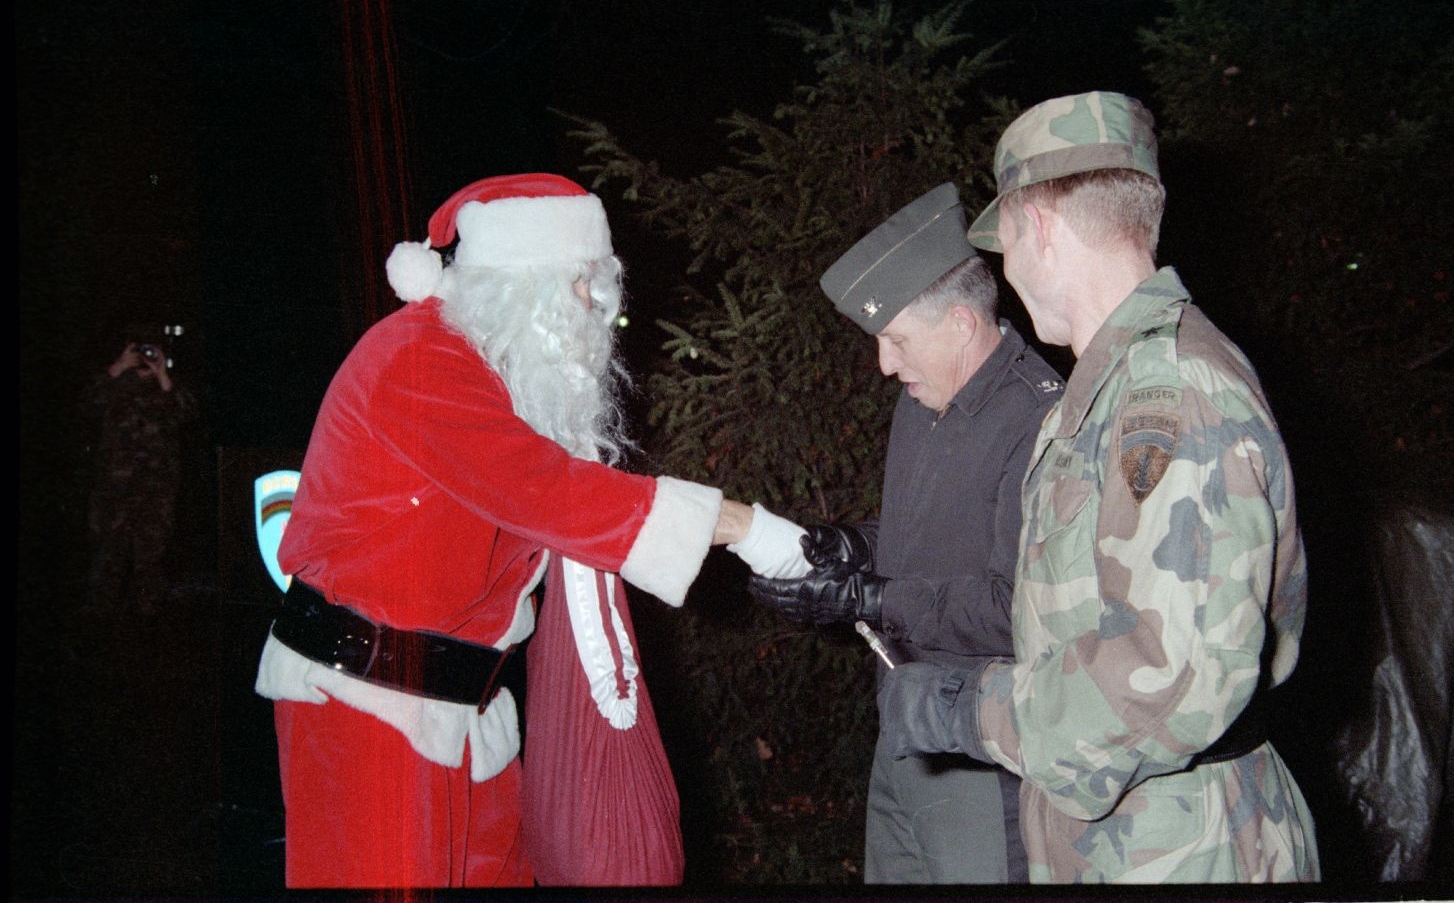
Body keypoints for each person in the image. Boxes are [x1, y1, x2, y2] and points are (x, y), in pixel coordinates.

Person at [254, 173, 807, 888]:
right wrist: (745, 528)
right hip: (363, 714)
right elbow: (545, 491)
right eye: (577, 286)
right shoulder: (419, 358)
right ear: (519, 285)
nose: (594, 310)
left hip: (462, 715)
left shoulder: (496, 374)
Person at [876, 91, 1321, 882]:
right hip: (1123, 835)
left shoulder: (1171, 391)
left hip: (1183, 847)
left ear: (1038, 228)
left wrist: (972, 710)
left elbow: (1173, 672)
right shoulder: (1108, 389)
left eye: (1005, 243)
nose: (1007, 273)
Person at [745, 182, 1064, 883]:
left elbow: (1018, 609)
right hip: (903, 717)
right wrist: (853, 544)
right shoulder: (923, 399)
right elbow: (929, 534)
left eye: (896, 340)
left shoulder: (1039, 425)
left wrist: (869, 599)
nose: (886, 365)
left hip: (984, 746)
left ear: (959, 324)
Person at [84, 332, 196, 617]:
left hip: (156, 487)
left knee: (151, 554)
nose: (144, 357)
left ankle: (148, 618)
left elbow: (188, 413)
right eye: (140, 351)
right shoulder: (115, 384)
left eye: (151, 351)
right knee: (109, 552)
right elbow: (86, 406)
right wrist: (119, 367)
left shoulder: (168, 388)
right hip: (115, 485)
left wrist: (162, 374)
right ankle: (101, 616)